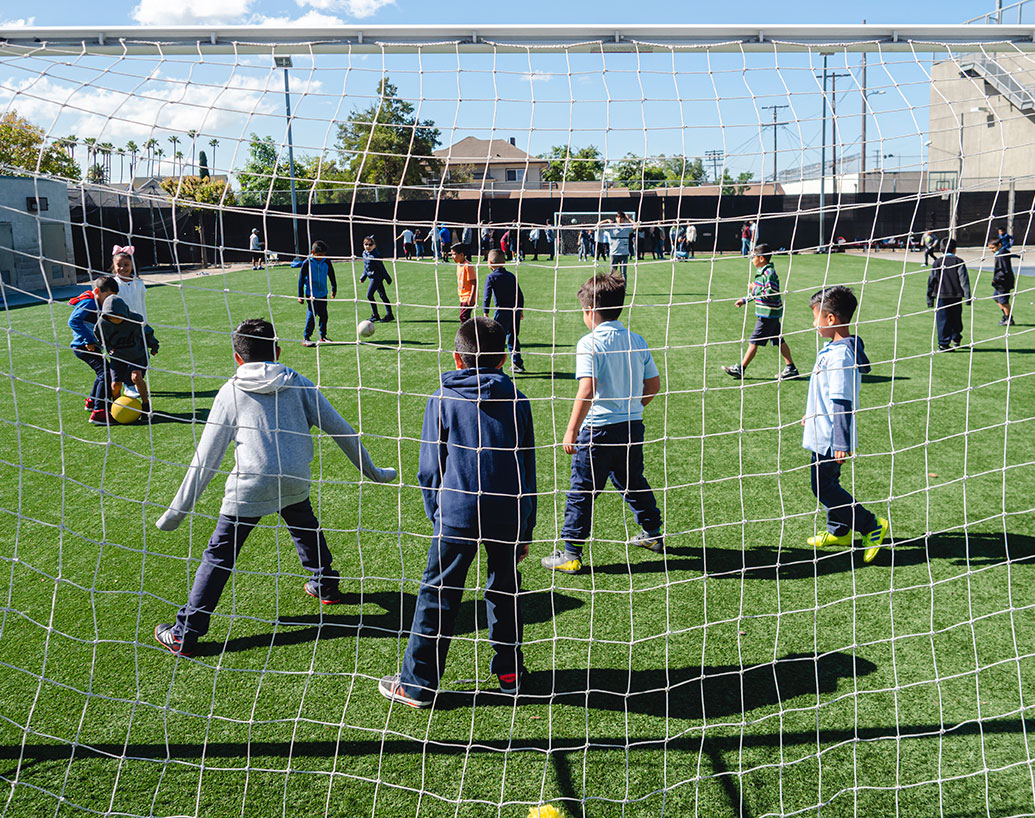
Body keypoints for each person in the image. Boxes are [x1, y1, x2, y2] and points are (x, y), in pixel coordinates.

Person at [153, 318, 397, 656]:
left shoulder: (230, 391)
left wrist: (175, 513)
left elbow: (205, 460)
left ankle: (186, 632)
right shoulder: (298, 382)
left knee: (220, 554)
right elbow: (341, 430)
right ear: (278, 351)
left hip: (250, 484)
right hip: (295, 476)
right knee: (304, 523)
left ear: (237, 358)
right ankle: (326, 585)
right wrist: (374, 472)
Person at [378, 317, 536, 707]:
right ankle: (509, 673)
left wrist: (438, 515)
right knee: (506, 588)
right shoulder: (518, 399)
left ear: (457, 358)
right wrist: (526, 526)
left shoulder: (442, 398)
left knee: (438, 594)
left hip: (458, 513)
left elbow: (430, 469)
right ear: (503, 359)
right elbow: (527, 466)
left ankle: (417, 685)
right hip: (508, 511)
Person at [542, 273, 663, 575]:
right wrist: (634, 407)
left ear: (590, 312)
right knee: (633, 481)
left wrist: (571, 430)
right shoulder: (637, 340)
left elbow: (587, 389)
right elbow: (654, 384)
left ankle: (571, 553)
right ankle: (653, 535)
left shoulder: (589, 343)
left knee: (582, 491)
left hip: (597, 432)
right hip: (632, 427)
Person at [803, 285, 889, 564]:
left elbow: (842, 401)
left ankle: (870, 524)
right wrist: (811, 412)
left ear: (831, 320)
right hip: (821, 428)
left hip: (830, 436)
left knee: (823, 486)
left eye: (816, 317)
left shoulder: (841, 355)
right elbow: (826, 392)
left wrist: (841, 443)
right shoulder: (833, 348)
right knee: (829, 482)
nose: (813, 324)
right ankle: (839, 530)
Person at [722, 243, 799, 380]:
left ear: (761, 258)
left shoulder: (768, 273)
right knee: (779, 340)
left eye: (754, 257)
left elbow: (771, 292)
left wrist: (753, 288)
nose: (752, 260)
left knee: (754, 341)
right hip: (771, 314)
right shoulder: (762, 272)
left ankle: (741, 369)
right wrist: (744, 300)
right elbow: (758, 293)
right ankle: (791, 368)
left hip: (768, 314)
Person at [95, 285, 159, 422]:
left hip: (137, 355)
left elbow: (148, 332)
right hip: (118, 356)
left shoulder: (135, 319)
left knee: (136, 377)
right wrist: (102, 346)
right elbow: (99, 337)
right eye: (112, 316)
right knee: (115, 385)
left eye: (119, 315)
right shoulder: (102, 324)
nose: (116, 319)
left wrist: (154, 346)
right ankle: (118, 408)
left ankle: (146, 405)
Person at [68, 275, 118, 425]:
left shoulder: (100, 304)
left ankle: (92, 401)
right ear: (97, 291)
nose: (109, 301)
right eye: (108, 296)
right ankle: (99, 412)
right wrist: (88, 340)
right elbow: (73, 321)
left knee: (103, 372)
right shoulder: (90, 302)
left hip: (90, 345)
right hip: (83, 346)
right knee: (106, 373)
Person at [483, 249, 525, 374]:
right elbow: (520, 294)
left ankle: (497, 366)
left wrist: (486, 312)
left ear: (489, 262)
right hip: (514, 310)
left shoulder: (491, 277)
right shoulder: (511, 276)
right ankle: (518, 363)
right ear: (505, 262)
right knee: (513, 337)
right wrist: (520, 309)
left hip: (501, 311)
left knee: (497, 339)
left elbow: (487, 296)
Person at [926, 238, 971, 351]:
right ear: (955, 249)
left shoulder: (937, 262)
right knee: (956, 319)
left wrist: (929, 298)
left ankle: (944, 343)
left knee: (943, 320)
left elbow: (931, 281)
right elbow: (964, 280)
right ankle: (955, 340)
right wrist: (967, 296)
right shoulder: (959, 261)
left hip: (941, 296)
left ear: (940, 249)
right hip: (956, 296)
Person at [296, 239, 337, 347]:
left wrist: (334, 288)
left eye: (323, 255)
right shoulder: (307, 262)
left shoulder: (326, 261)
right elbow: (300, 279)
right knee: (312, 316)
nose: (321, 257)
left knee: (324, 315)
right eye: (319, 255)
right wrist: (300, 296)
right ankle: (306, 338)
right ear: (313, 253)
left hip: (323, 293)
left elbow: (331, 275)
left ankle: (323, 337)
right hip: (311, 294)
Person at [361, 236, 394, 324]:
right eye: (366, 244)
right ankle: (389, 314)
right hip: (371, 277)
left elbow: (381, 267)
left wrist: (387, 278)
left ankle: (375, 315)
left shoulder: (375, 255)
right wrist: (363, 276)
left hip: (376, 278)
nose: (368, 246)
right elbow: (366, 267)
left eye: (370, 244)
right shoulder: (364, 253)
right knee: (383, 295)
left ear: (374, 246)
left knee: (369, 295)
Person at [111, 245, 146, 321]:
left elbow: (142, 303)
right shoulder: (113, 284)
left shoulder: (139, 283)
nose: (122, 268)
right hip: (122, 324)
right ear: (114, 266)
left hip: (140, 322)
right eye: (118, 265)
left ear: (132, 265)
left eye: (126, 265)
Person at [989, 236, 1016, 327]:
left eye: (993, 248)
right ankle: (1006, 315)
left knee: (1004, 301)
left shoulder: (1002, 254)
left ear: (999, 245)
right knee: (996, 298)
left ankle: (1009, 319)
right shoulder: (999, 253)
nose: (991, 250)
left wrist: (997, 279)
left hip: (1003, 282)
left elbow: (1004, 270)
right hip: (999, 282)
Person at [601, 212, 634, 278]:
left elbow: (636, 226)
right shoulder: (612, 227)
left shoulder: (627, 228)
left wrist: (629, 219)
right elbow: (598, 225)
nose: (620, 219)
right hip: (614, 254)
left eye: (621, 218)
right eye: (618, 217)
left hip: (624, 254)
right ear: (616, 218)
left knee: (623, 273)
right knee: (612, 274)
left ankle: (623, 288)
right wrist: (607, 220)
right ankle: (613, 288)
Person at [453, 242, 477, 323]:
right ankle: (469, 332)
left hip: (468, 297)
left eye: (454, 254)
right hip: (462, 296)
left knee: (463, 317)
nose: (452, 257)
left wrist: (472, 297)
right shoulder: (459, 264)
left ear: (462, 255)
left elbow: (474, 282)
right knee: (464, 317)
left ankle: (466, 334)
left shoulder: (467, 266)